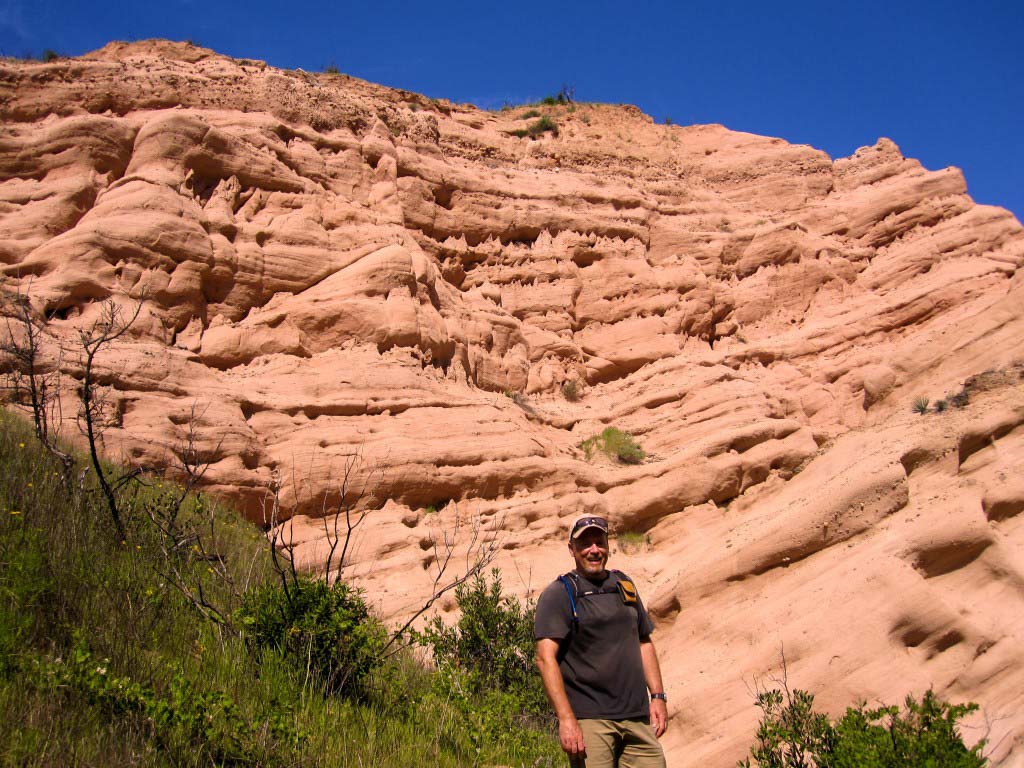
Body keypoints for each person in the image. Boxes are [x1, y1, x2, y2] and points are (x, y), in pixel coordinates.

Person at [534, 515, 668, 768]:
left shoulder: (623, 584)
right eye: (585, 544)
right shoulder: (560, 593)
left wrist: (658, 696)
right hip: (590, 721)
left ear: (608, 545)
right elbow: (545, 658)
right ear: (572, 549)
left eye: (599, 542)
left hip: (637, 718)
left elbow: (644, 641)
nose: (594, 550)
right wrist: (566, 719)